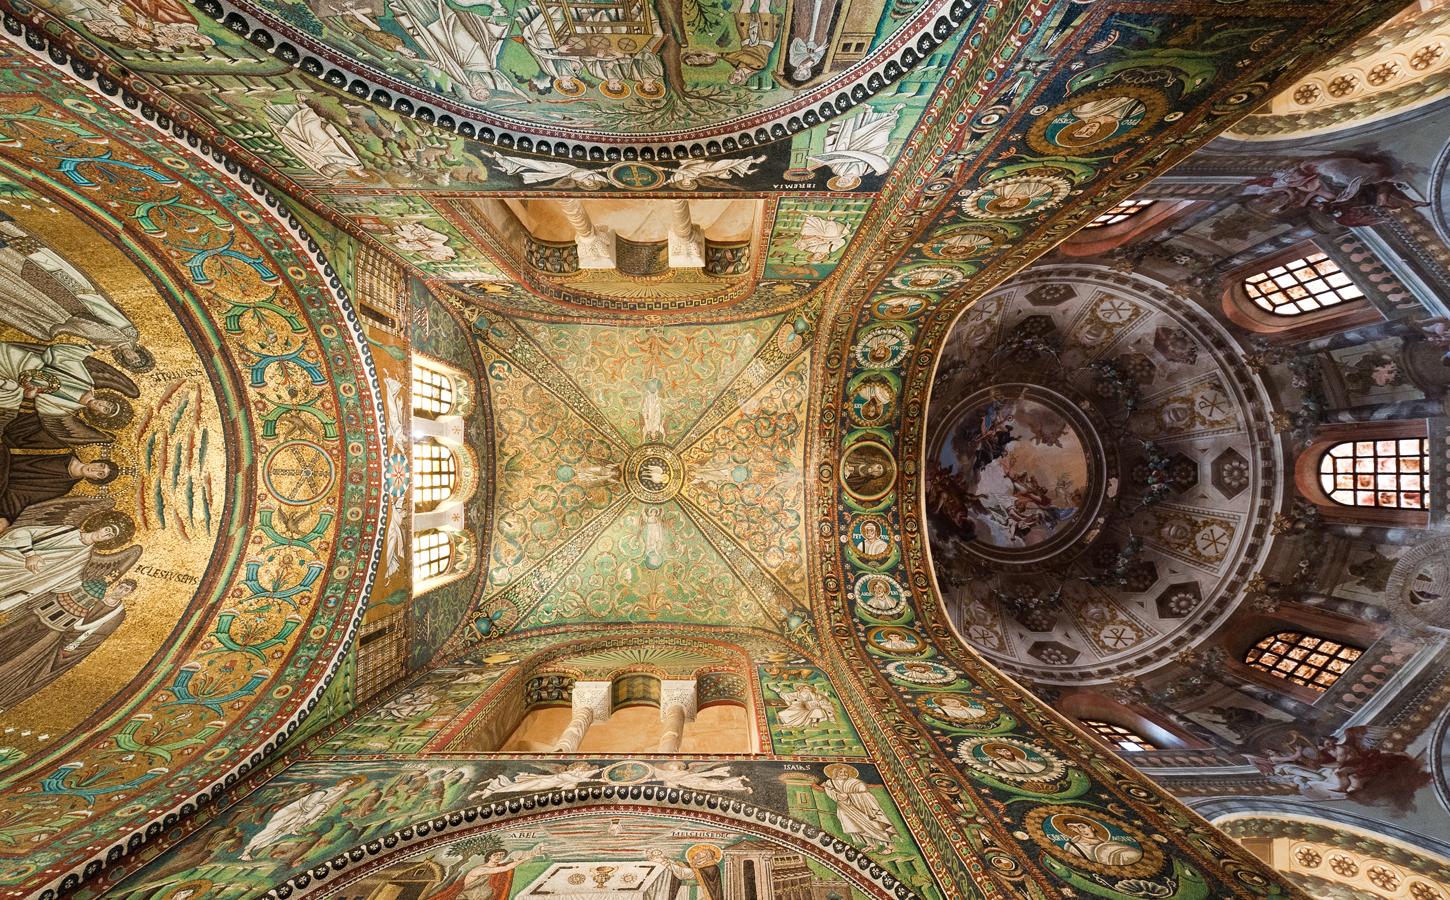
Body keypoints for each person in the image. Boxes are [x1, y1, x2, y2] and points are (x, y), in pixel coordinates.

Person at [239, 776, 367, 860]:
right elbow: (312, 803)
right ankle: (248, 850)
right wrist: (307, 815)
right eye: (348, 781)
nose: (348, 783)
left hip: (302, 813)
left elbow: (326, 805)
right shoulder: (327, 790)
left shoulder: (341, 792)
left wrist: (310, 817)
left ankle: (251, 851)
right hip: (295, 810)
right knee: (271, 829)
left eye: (351, 783)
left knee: (277, 834)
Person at [423, 845, 545, 900]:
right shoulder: (480, 869)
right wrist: (526, 859)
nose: (498, 857)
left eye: (501, 855)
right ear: (489, 857)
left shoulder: (500, 866)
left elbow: (504, 867)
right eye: (495, 855)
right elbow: (503, 869)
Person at [822, 764, 898, 851]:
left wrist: (850, 795)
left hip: (859, 807)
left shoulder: (854, 782)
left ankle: (889, 846)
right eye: (841, 772)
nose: (843, 774)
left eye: (846, 772)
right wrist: (839, 796)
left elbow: (864, 791)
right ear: (835, 773)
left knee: (874, 825)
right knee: (857, 828)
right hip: (844, 808)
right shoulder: (830, 783)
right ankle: (870, 845)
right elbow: (832, 794)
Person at [1055, 817, 1143, 866]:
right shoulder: (1075, 847)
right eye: (1074, 828)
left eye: (1082, 826)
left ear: (1091, 828)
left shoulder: (1112, 843)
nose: (1080, 830)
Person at [648, 845, 724, 900]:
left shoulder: (711, 867)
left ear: (708, 855)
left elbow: (685, 873)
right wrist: (665, 860)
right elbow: (680, 865)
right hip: (684, 891)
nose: (699, 852)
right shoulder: (697, 865)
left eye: (703, 852)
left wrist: (664, 862)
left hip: (700, 892)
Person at [982, 744, 1048, 776]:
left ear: (1011, 751)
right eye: (1000, 752)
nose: (1004, 753)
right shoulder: (998, 763)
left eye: (1006, 751)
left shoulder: (1023, 761)